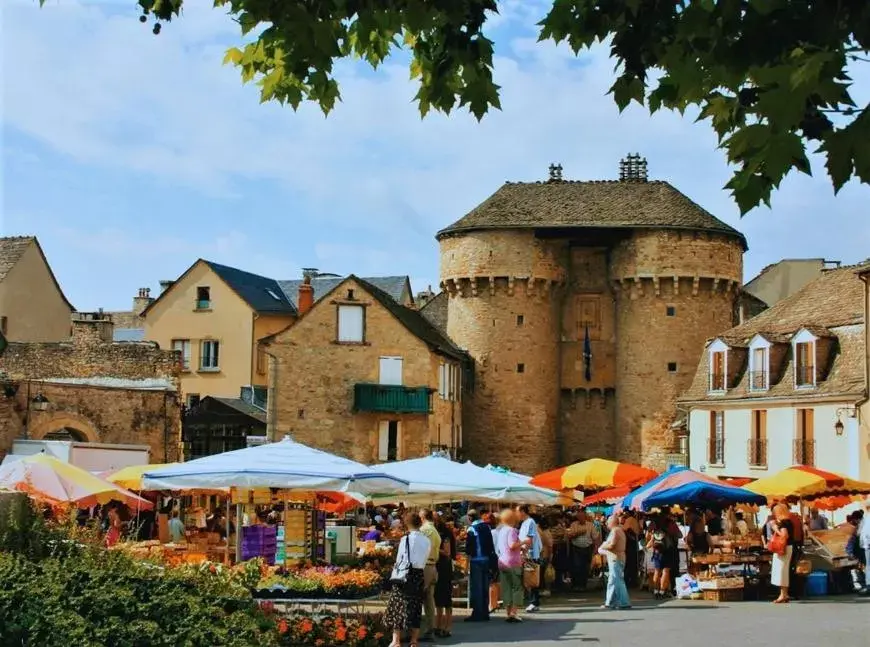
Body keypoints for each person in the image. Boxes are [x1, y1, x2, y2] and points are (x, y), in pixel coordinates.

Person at [386, 512, 430, 647]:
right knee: (416, 606)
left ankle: (396, 640)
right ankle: (414, 640)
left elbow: (400, 559)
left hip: (405, 575)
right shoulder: (427, 540)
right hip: (419, 574)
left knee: (397, 605)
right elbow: (425, 558)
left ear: (407, 524)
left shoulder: (405, 539)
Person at [465, 509, 496, 622]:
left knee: (477, 588)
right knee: (484, 586)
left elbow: (468, 549)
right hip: (486, 560)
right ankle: (485, 612)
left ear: (469, 518)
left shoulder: (471, 529)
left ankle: (477, 613)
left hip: (476, 561)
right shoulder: (486, 527)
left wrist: (466, 565)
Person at [496, 508, 525, 623]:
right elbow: (512, 545)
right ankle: (513, 612)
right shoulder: (512, 530)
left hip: (502, 561)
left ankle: (508, 613)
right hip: (513, 562)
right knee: (517, 588)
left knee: (506, 588)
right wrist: (524, 542)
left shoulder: (501, 530)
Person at [599, 515, 631, 610]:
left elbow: (612, 545)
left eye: (608, 521)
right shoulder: (619, 530)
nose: (607, 523)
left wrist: (603, 546)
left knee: (617, 580)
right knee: (612, 581)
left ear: (612, 522)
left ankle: (624, 602)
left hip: (615, 558)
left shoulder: (615, 531)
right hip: (617, 557)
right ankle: (610, 602)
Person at [418, 509, 441, 642]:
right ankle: (430, 628)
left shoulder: (425, 530)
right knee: (429, 600)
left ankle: (418, 630)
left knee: (418, 598)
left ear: (422, 517)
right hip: (432, 566)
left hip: (425, 566)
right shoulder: (435, 531)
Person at [517, 505, 543, 613]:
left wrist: (523, 550)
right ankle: (534, 602)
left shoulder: (530, 522)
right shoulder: (524, 523)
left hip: (531, 555)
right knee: (529, 579)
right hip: (527, 554)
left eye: (518, 512)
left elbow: (529, 539)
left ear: (523, 511)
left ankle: (533, 602)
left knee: (531, 579)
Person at [434, 514, 456, 638]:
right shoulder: (439, 532)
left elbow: (447, 552)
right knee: (438, 598)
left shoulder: (444, 533)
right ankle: (439, 625)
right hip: (439, 567)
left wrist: (433, 549)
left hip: (444, 567)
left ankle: (447, 626)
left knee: (445, 598)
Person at [770, 503, 796, 604]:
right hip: (788, 547)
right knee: (783, 571)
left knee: (781, 571)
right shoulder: (789, 521)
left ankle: (782, 594)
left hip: (783, 548)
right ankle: (784, 593)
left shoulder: (784, 522)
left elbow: (784, 535)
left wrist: (775, 528)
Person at [567, 510, 599, 591]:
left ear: (585, 517)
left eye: (582, 516)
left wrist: (596, 548)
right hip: (576, 548)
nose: (580, 518)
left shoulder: (590, 525)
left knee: (585, 567)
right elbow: (569, 536)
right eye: (579, 517)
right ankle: (576, 584)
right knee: (576, 566)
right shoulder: (574, 524)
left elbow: (595, 538)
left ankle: (583, 585)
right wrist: (578, 533)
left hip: (587, 548)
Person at [486, 512, 502, 613]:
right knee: (496, 582)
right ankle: (495, 603)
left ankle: (492, 604)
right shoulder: (500, 532)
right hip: (500, 558)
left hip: (493, 558)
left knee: (491, 583)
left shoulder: (492, 533)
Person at [621, 512, 641, 588]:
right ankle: (632, 581)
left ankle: (629, 581)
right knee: (631, 564)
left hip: (630, 546)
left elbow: (627, 530)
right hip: (631, 546)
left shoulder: (630, 520)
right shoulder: (632, 520)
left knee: (629, 564)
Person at [539, 518, 554, 596]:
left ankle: (547, 589)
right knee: (544, 572)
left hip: (545, 555)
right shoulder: (545, 532)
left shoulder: (545, 533)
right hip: (544, 554)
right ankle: (545, 589)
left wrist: (551, 556)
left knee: (546, 573)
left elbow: (550, 545)